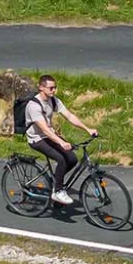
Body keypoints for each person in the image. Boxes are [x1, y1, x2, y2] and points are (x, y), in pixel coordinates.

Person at [25, 75, 98, 205]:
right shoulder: (33, 105)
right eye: (51, 88)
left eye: (55, 87)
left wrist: (88, 129)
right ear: (41, 87)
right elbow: (45, 130)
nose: (54, 91)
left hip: (49, 136)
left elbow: (69, 116)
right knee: (61, 159)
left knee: (72, 159)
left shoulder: (53, 101)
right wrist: (61, 142)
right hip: (37, 139)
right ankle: (57, 192)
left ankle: (57, 184)